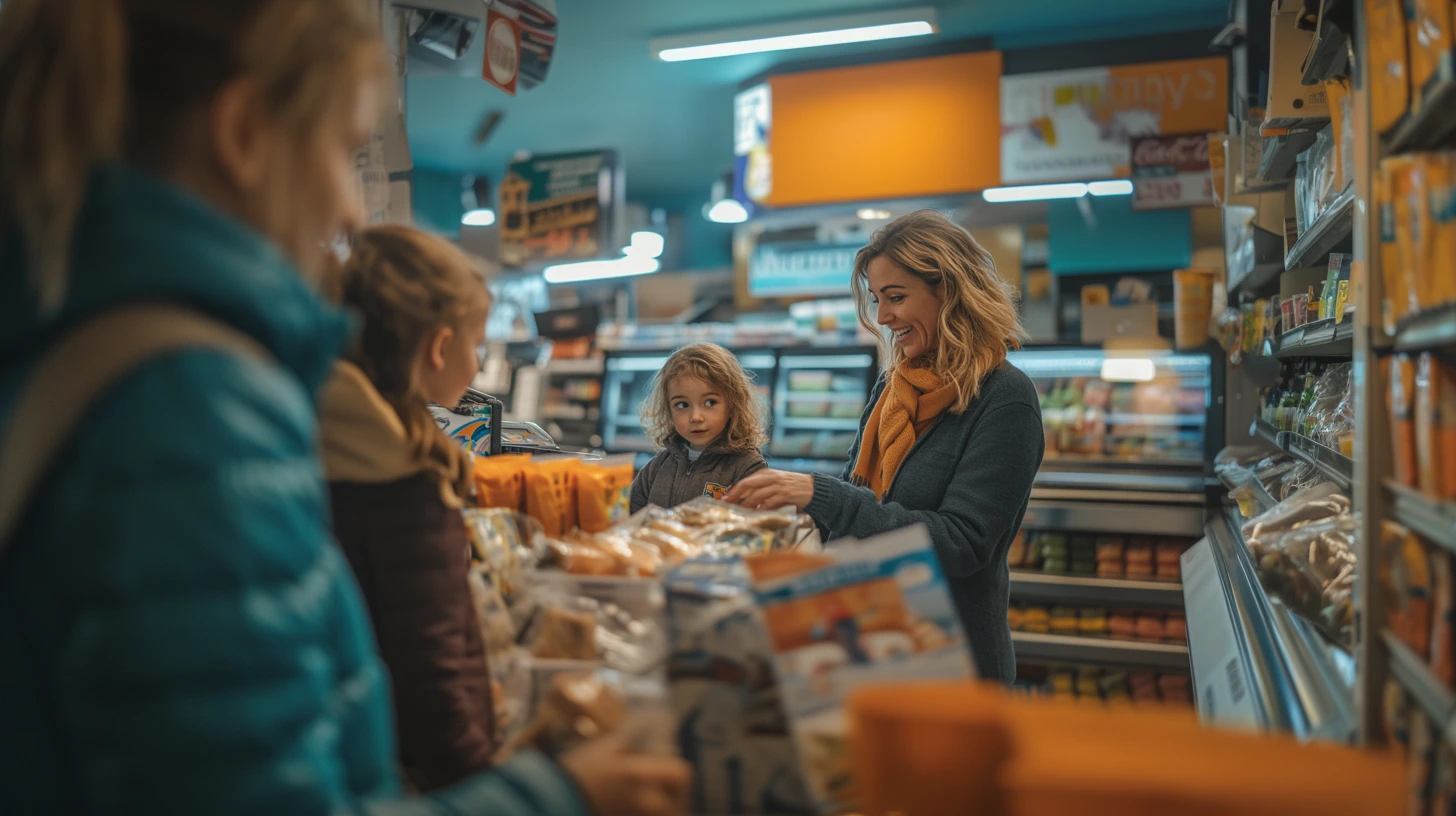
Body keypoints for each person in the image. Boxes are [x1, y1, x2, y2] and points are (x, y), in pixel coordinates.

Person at [0, 2, 688, 814]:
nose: (349, 210)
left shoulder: (70, 343)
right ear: (246, 134)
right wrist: (560, 796)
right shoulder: (196, 409)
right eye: (338, 150)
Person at [725, 210, 1044, 685]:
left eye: (896, 297)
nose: (883, 316)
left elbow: (962, 543)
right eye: (877, 299)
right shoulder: (893, 387)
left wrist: (822, 495)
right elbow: (863, 496)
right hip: (870, 640)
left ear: (949, 291)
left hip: (952, 667)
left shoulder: (1004, 399)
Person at [317, 225, 500, 792]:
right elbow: (432, 673)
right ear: (440, 347)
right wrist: (483, 784)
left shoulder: (311, 437)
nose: (476, 363)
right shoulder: (404, 480)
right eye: (477, 345)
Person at [630, 342, 768, 513]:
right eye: (682, 405)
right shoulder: (656, 469)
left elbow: (754, 530)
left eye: (710, 402)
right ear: (668, 410)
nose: (695, 417)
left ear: (733, 405)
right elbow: (630, 520)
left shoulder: (748, 468)